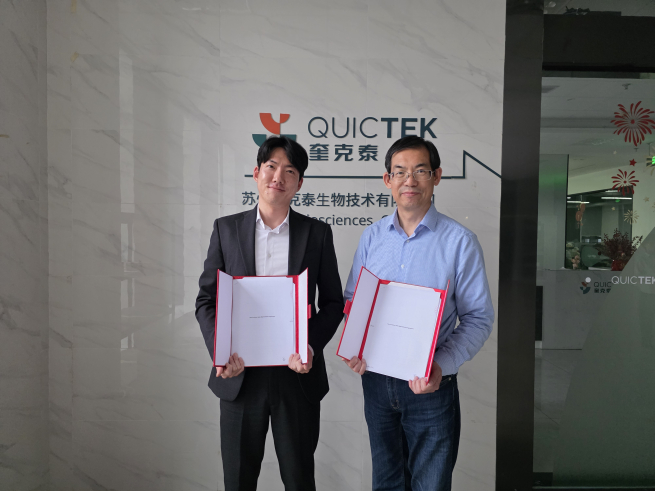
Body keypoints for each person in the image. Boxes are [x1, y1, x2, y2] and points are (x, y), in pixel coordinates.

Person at [343, 135, 494, 491]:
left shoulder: (460, 241)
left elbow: (478, 317)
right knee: (386, 482)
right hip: (377, 383)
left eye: (420, 171)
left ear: (436, 176)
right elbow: (353, 298)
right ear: (388, 180)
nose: (409, 180)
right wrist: (356, 344)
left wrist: (441, 365)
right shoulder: (372, 237)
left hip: (431, 386)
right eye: (400, 172)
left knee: (430, 484)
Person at [196, 136, 344, 491]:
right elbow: (206, 301)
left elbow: (333, 303)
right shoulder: (226, 229)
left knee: (299, 479)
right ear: (256, 173)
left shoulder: (317, 233)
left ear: (299, 183)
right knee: (238, 481)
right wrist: (220, 353)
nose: (278, 177)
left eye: (289, 171)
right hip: (239, 375)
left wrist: (309, 347)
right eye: (271, 167)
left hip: (297, 376)